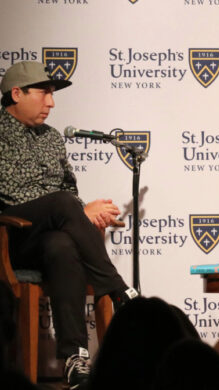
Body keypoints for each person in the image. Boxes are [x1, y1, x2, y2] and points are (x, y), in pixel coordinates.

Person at [0, 61, 137, 389]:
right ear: (17, 93)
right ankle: (118, 289)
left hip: (48, 240)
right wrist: (77, 207)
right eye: (44, 93)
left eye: (52, 95)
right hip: (12, 239)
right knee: (63, 203)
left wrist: (82, 210)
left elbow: (69, 188)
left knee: (61, 244)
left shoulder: (51, 138)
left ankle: (76, 357)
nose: (52, 103)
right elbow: (12, 190)